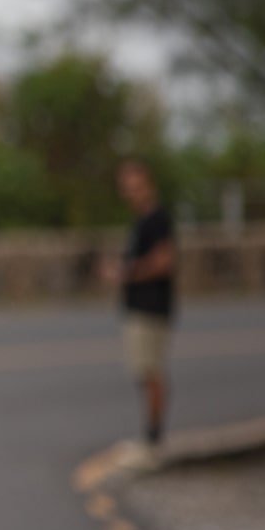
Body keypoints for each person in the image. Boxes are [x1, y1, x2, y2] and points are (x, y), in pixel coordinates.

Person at [110, 157, 177, 447]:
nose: (131, 193)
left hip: (151, 307)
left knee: (150, 371)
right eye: (126, 188)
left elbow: (164, 262)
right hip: (139, 307)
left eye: (135, 187)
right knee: (144, 371)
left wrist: (126, 272)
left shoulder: (157, 219)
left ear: (148, 185)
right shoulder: (141, 221)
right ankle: (151, 431)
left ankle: (154, 435)